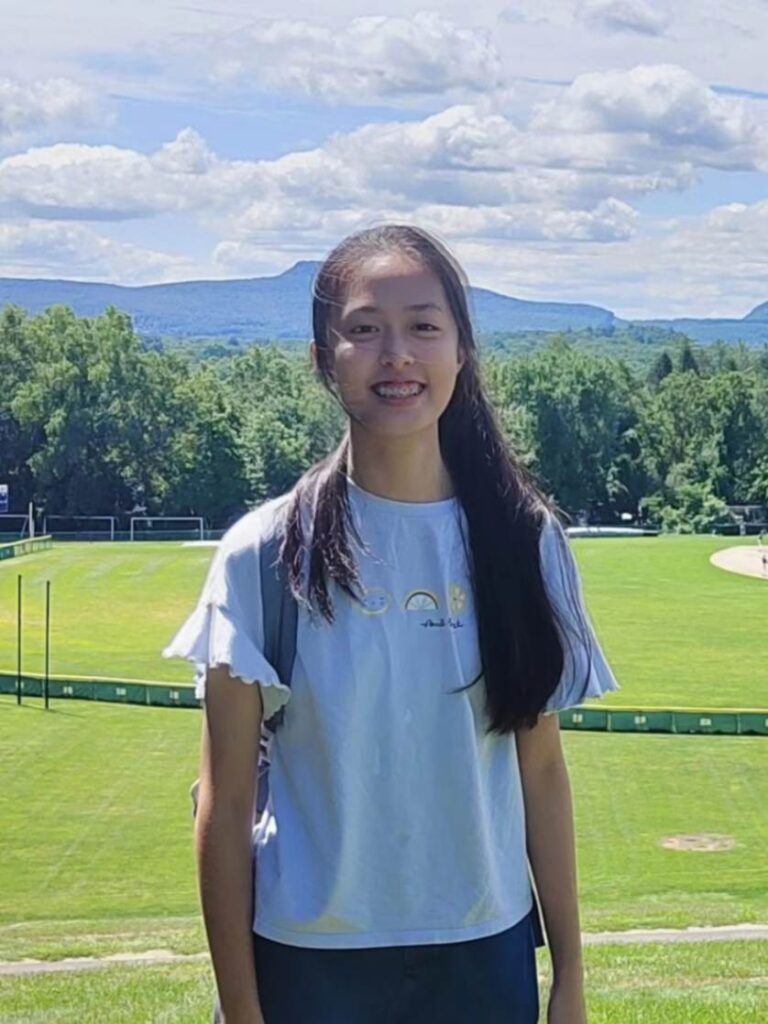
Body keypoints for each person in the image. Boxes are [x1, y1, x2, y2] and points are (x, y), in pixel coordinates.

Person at [162, 223, 620, 1024]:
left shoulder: (524, 541)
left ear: (461, 351)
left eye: (423, 327)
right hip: (309, 958)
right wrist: (242, 1011)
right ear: (321, 358)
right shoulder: (264, 554)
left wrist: (570, 982)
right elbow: (223, 802)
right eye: (365, 330)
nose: (396, 355)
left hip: (485, 950)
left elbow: (541, 770)